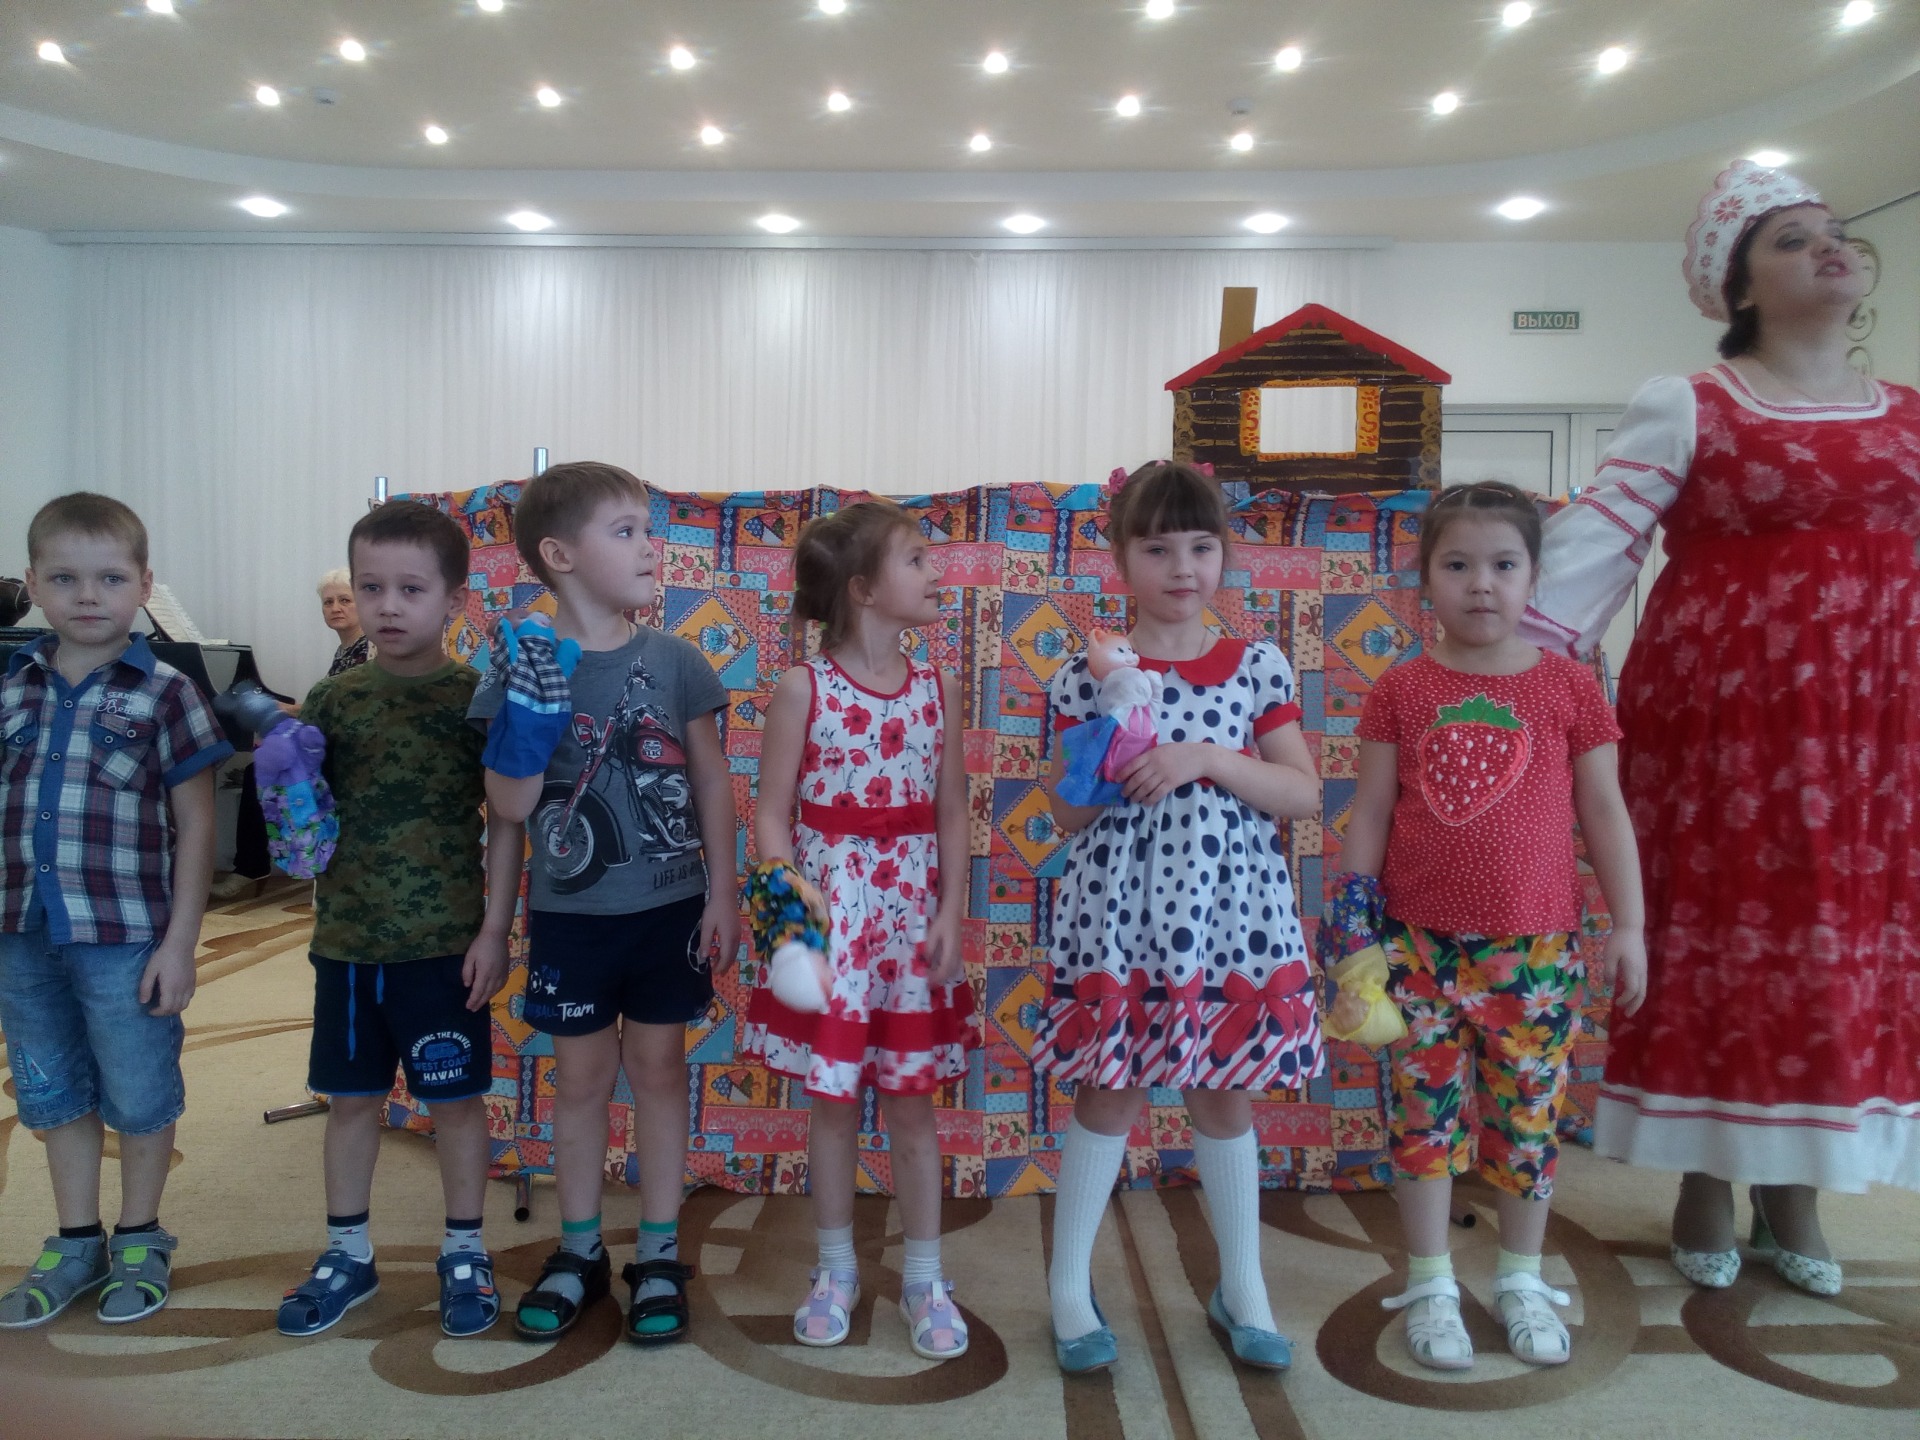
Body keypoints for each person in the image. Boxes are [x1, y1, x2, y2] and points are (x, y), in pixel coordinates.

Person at [1521, 159, 1920, 1295]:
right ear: (1740, 284)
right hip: (1727, 724)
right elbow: (1593, 552)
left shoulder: (1909, 416)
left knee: (1838, 940)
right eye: (1792, 239)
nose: (1829, 248)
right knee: (1719, 934)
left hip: (1874, 733)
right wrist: (1508, 688)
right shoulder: (1690, 403)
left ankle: (1798, 1188)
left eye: (1834, 232)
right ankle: (1704, 1173)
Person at [1333, 481, 1645, 1369]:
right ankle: (1431, 1282)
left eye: (1503, 564)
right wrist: (1353, 931)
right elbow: (1372, 810)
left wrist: (1630, 925)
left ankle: (1521, 1277)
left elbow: (1605, 811)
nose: (1481, 583)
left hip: (1536, 953)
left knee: (1527, 1119)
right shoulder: (1401, 688)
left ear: (1533, 577)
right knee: (1422, 1121)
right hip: (1416, 948)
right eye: (1458, 565)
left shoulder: (1569, 685)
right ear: (1424, 579)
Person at [1036, 461, 1323, 1374]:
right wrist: (1116, 726)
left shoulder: (1257, 665)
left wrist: (1205, 756)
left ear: (1225, 554)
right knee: (1110, 1092)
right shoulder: (1085, 673)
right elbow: (1066, 814)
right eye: (1158, 548)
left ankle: (1243, 1290)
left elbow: (1303, 792)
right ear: (1120, 559)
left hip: (1229, 918)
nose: (1183, 566)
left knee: (1223, 1092)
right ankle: (1068, 1290)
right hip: (1121, 917)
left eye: (1201, 546)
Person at [471, 461, 739, 1345]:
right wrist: (494, 927)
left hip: (670, 910)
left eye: (648, 529)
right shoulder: (519, 660)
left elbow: (711, 781)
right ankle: (580, 1247)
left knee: (660, 1074)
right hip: (570, 921)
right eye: (626, 531)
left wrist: (724, 892)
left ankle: (658, 1251)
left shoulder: (677, 660)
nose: (651, 546)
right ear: (560, 555)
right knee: (580, 1083)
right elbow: (508, 809)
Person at [273, 501, 523, 1339]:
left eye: (411, 589)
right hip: (347, 943)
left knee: (457, 1104)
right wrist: (284, 782)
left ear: (455, 600)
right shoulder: (333, 699)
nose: (387, 606)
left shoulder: (476, 700)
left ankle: (465, 1249)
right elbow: (303, 824)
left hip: (443, 948)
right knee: (351, 1102)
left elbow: (507, 821)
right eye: (371, 586)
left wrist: (493, 931)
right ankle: (348, 1252)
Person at [740, 501, 978, 1361]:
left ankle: (925, 1277)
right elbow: (771, 814)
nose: (936, 572)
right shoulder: (803, 688)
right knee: (833, 1105)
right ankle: (835, 1268)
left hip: (910, 922)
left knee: (913, 1106)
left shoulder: (939, 687)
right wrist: (792, 925)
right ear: (864, 589)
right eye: (917, 559)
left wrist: (950, 911)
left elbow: (951, 808)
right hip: (834, 921)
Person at [0, 493, 231, 1327]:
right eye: (64, 578)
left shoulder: (168, 691)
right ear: (33, 585)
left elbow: (197, 826)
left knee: (138, 1087)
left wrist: (181, 943)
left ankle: (139, 1233)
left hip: (126, 935)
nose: (87, 595)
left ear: (144, 585)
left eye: (109, 578)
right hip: (22, 933)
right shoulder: (11, 686)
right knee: (51, 1088)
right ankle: (75, 1239)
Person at [318, 568, 370, 676]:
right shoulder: (344, 650)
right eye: (328, 602)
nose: (335, 609)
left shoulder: (370, 651)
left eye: (345, 600)